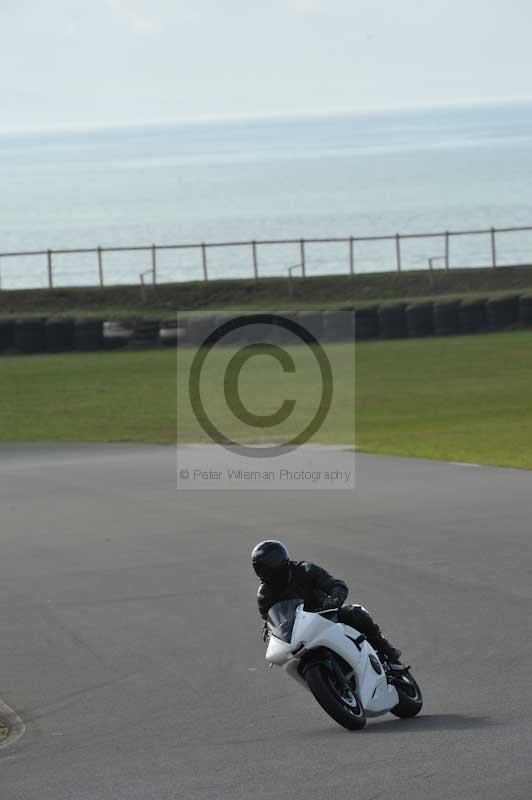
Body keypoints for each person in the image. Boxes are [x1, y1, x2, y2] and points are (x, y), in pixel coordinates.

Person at [252, 539, 402, 664]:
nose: (269, 573)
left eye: (271, 568)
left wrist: (335, 598)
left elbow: (335, 584)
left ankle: (387, 651)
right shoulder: (264, 595)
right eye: (264, 569)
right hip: (300, 635)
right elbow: (270, 621)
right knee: (291, 660)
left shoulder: (305, 570)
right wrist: (271, 634)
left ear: (282, 562)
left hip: (326, 615)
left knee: (356, 613)